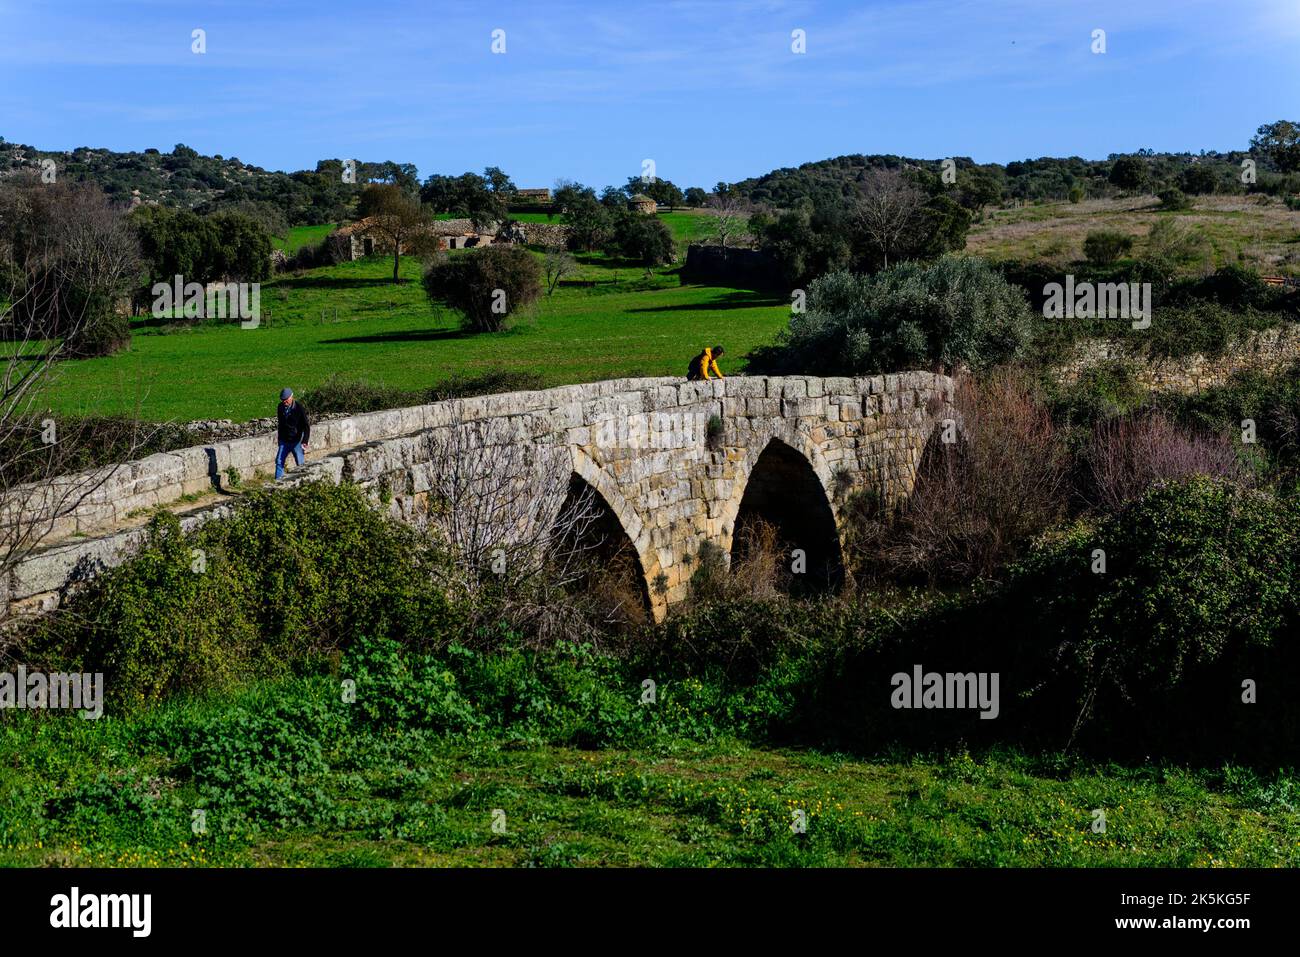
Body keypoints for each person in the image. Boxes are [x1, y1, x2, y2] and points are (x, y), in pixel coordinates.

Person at [275, 387, 310, 480]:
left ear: (291, 397)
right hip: (284, 440)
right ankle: (278, 483)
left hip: (296, 441)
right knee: (279, 461)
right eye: (282, 400)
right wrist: (279, 439)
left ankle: (304, 481)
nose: (284, 402)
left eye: (286, 400)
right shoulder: (280, 407)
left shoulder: (299, 408)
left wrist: (305, 440)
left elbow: (306, 425)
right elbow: (280, 424)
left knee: (300, 463)